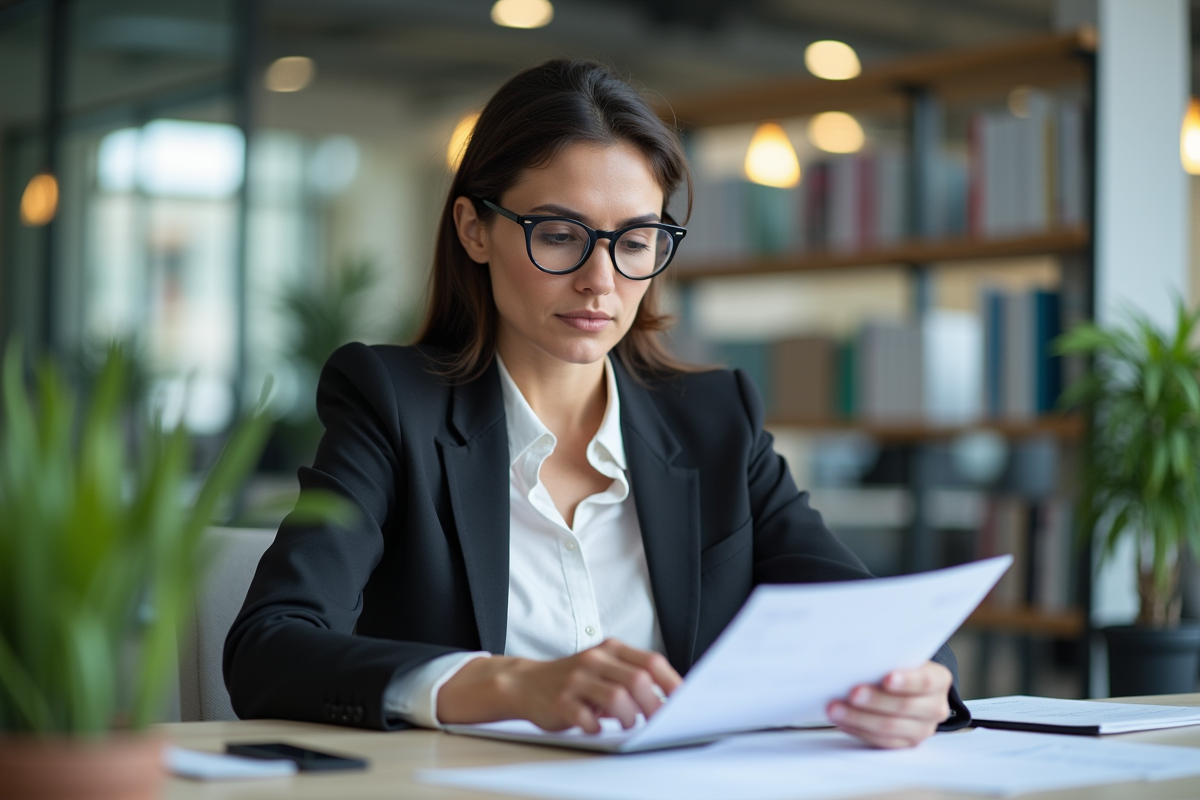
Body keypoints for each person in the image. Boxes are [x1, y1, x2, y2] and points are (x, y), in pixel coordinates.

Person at [224, 58, 969, 749]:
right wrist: (508, 682)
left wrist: (919, 684)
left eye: (635, 240)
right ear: (474, 230)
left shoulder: (713, 419)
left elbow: (873, 620)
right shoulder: (393, 406)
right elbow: (270, 646)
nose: (600, 281)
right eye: (559, 235)